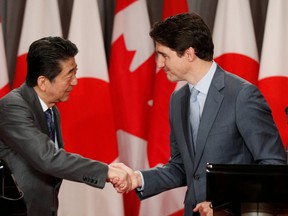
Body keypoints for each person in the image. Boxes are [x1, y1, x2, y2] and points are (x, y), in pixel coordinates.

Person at [111, 12, 286, 216]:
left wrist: (224, 204)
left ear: (189, 53)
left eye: (164, 55)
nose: (159, 64)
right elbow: (181, 167)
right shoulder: (178, 100)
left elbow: (273, 167)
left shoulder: (241, 95)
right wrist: (137, 179)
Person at [0, 36, 131, 216]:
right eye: (69, 74)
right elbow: (47, 158)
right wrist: (106, 171)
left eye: (75, 71)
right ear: (43, 82)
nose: (75, 81)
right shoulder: (12, 107)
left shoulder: (51, 109)